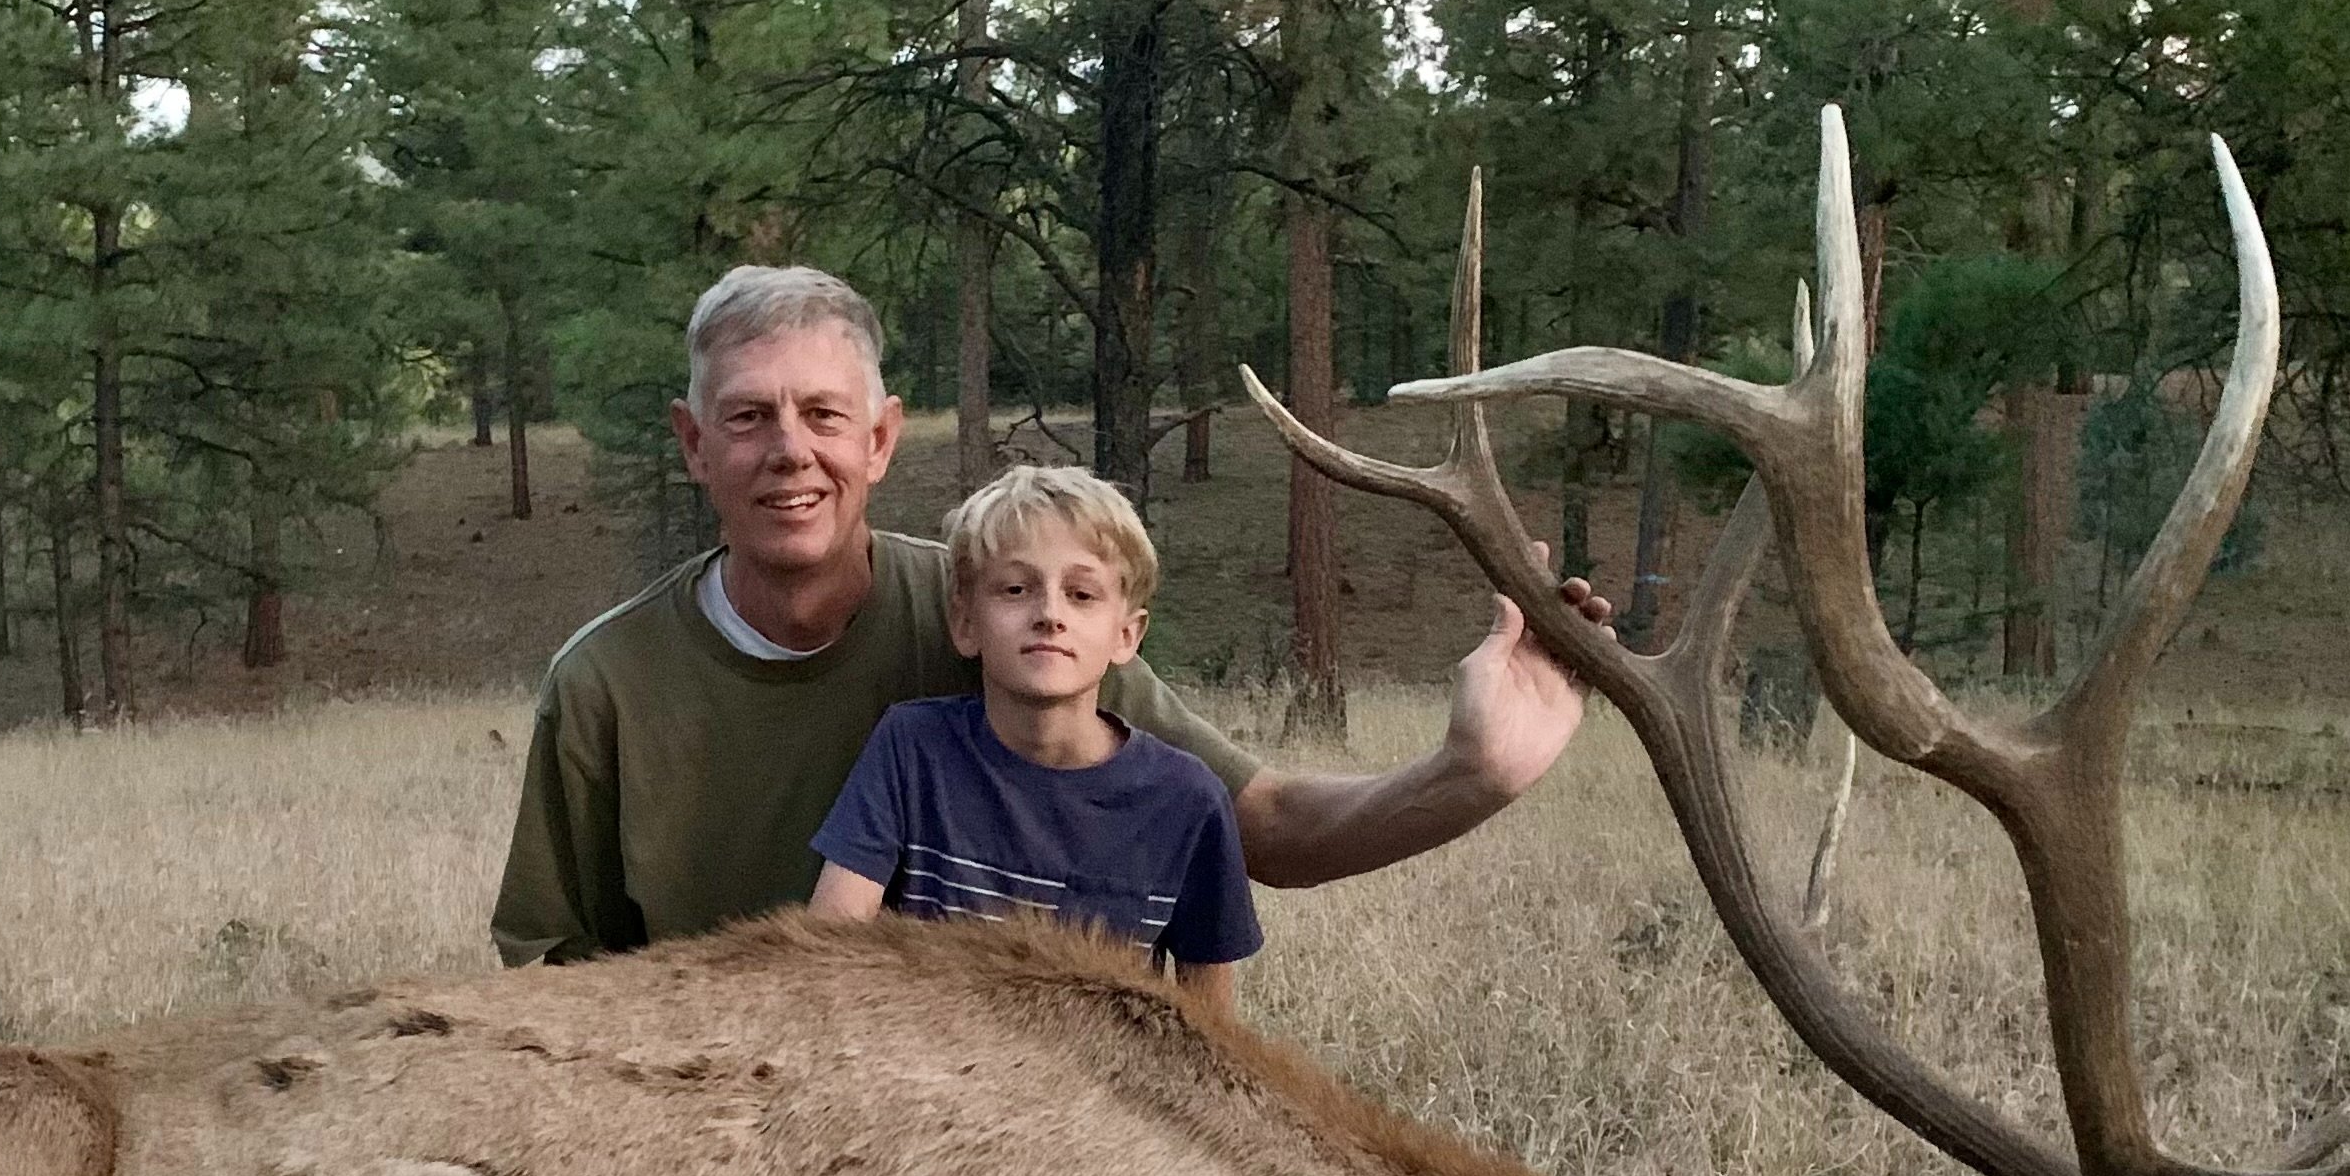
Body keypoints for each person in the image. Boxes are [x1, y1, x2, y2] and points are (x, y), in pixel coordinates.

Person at [493, 264, 1606, 966]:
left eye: (823, 414)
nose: (790, 449)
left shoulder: (1006, 614)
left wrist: (1474, 772)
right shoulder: (605, 686)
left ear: (880, 439)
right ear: (694, 446)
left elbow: (1258, 827)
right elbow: (548, 962)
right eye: (747, 417)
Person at [807, 465, 1258, 1017]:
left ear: (1127, 634)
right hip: (921, 1071)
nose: (1049, 615)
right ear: (965, 622)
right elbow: (825, 957)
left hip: (1097, 1090)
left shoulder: (1188, 802)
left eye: (1082, 594)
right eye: (1016, 589)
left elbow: (1212, 1035)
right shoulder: (912, 748)